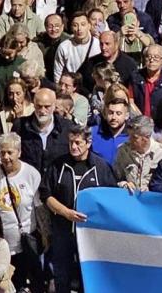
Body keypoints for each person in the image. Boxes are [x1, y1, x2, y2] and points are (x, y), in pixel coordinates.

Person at [41, 125, 115, 293]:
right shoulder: (58, 165)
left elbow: (112, 197)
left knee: (88, 275)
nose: (73, 147)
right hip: (63, 231)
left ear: (88, 143)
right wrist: (65, 212)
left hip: (91, 234)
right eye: (71, 143)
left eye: (78, 143)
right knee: (62, 275)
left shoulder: (101, 167)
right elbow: (46, 195)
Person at [0, 133, 42, 292]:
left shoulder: (31, 174)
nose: (5, 157)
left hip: (24, 242)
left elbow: (40, 209)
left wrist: (45, 237)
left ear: (19, 152)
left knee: (21, 285)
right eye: (2, 152)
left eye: (10, 152)